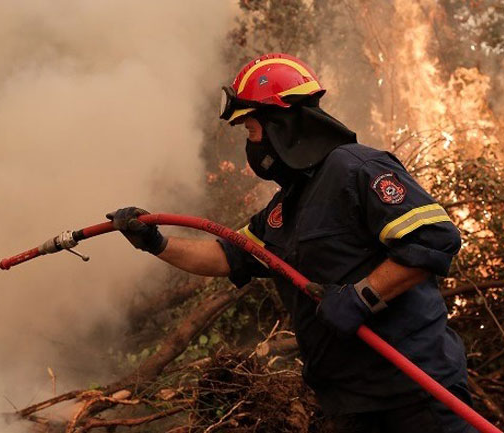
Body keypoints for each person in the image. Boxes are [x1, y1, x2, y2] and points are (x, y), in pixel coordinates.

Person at [107, 53, 474, 433]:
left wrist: (363, 296)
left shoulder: (358, 168)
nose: (250, 144)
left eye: (251, 130)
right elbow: (226, 255)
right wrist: (155, 241)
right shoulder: (285, 208)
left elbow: (432, 239)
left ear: (282, 125)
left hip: (415, 391)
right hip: (348, 401)